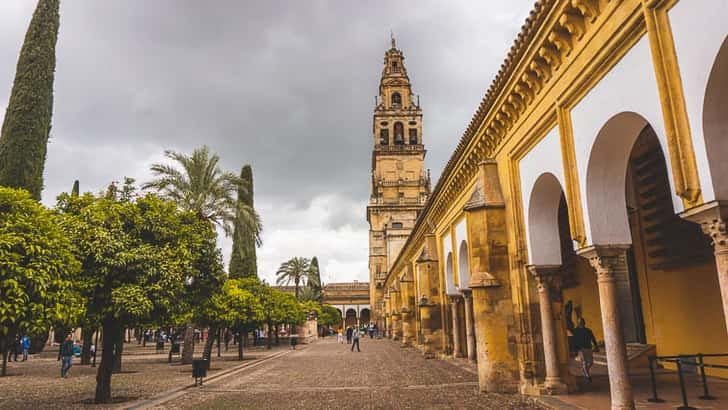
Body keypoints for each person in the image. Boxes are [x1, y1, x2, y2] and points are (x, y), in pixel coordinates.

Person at [572, 318, 599, 383]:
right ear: (578, 323)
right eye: (580, 322)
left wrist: (596, 346)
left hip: (588, 348)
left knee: (590, 362)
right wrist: (575, 349)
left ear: (584, 322)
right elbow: (574, 341)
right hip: (581, 349)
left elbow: (593, 338)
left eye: (582, 322)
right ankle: (587, 376)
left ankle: (584, 370)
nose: (581, 323)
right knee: (584, 362)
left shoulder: (588, 330)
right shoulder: (576, 331)